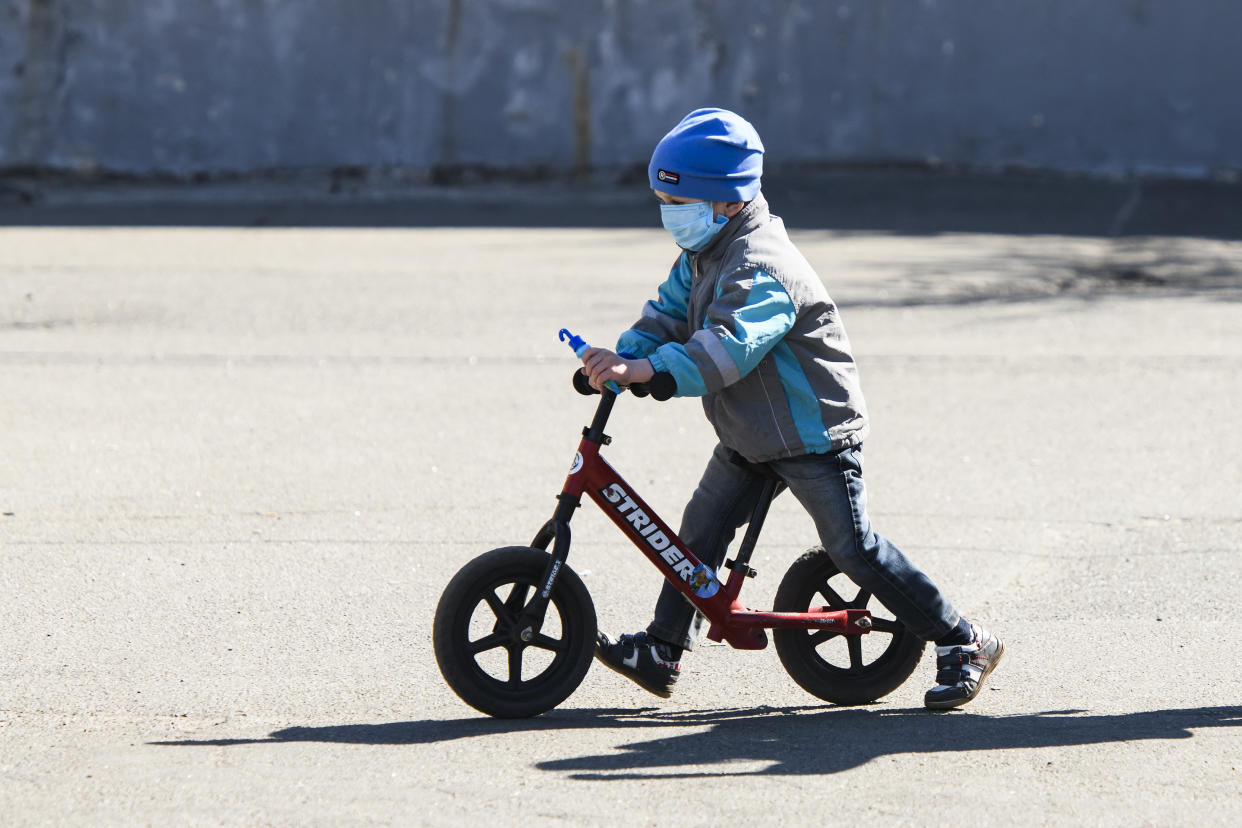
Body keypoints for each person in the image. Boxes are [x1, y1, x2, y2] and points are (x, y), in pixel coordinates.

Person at [579, 108, 1003, 710]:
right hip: (751, 433)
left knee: (852, 549)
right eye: (661, 199)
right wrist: (621, 358)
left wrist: (652, 372)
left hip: (813, 434)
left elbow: (728, 347)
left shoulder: (763, 265)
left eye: (678, 201)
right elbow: (668, 313)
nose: (669, 214)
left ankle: (964, 639)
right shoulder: (705, 252)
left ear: (726, 202)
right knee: (697, 536)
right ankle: (662, 649)